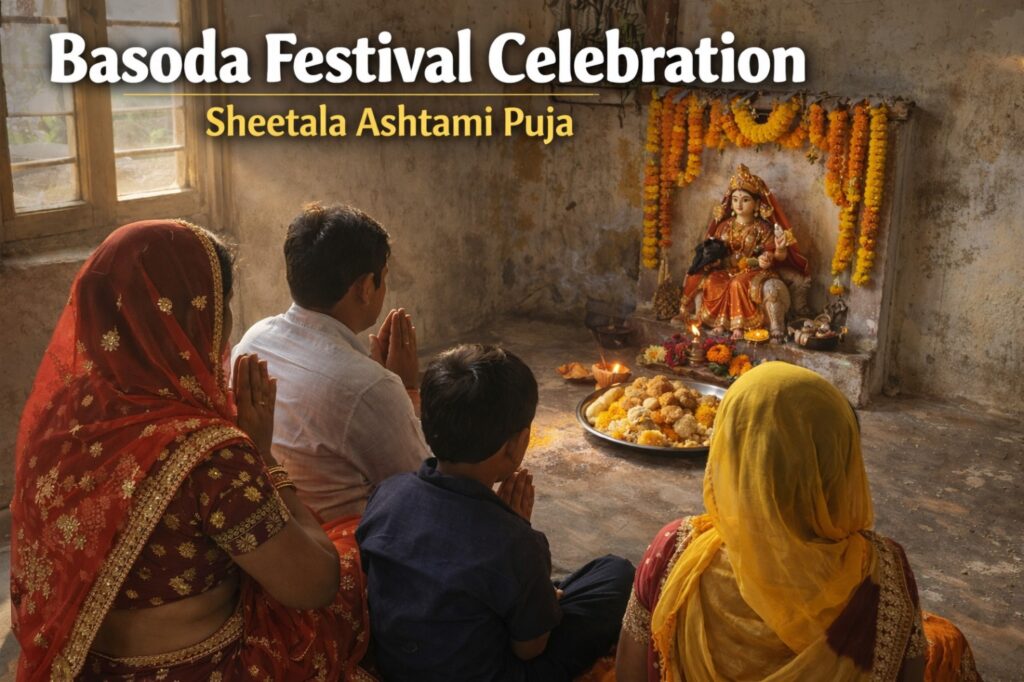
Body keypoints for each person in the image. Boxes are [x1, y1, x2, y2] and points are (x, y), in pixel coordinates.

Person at [10, 220, 369, 680]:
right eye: (223, 309)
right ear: (197, 318)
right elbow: (314, 585)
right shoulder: (209, 456)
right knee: (355, 554)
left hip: (84, 669)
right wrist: (264, 456)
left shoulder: (61, 419)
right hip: (200, 670)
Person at [614, 362, 982, 682]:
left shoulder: (674, 552)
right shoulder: (881, 573)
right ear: (839, 459)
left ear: (731, 451)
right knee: (947, 640)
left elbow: (630, 671)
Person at [357, 344, 635, 682]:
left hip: (400, 664)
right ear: (514, 446)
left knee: (518, 585)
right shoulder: (514, 540)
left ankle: (540, 595)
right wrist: (517, 532)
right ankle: (543, 596)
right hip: (494, 671)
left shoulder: (388, 493)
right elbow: (529, 648)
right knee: (615, 575)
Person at [233, 203, 428, 521]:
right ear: (365, 287)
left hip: (272, 527)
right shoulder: (371, 388)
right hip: (340, 552)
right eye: (384, 278)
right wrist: (406, 390)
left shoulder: (254, 339)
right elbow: (420, 491)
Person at [680, 165, 811, 341]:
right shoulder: (724, 226)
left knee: (737, 283)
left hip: (755, 271)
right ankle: (719, 323)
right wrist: (712, 259)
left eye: (745, 200)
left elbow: (778, 257)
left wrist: (775, 252)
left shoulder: (762, 228)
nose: (739, 204)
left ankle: (739, 327)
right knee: (712, 280)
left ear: (757, 204)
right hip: (727, 270)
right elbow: (714, 250)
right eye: (735, 199)